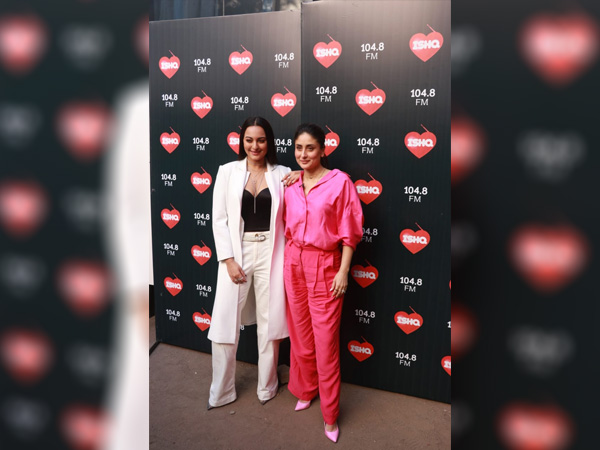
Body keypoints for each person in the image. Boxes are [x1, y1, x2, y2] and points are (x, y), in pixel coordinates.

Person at [207, 116, 297, 408]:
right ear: (241, 141)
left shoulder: (283, 173)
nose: (254, 146)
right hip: (237, 253)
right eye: (249, 140)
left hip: (273, 252)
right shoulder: (227, 171)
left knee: (271, 324)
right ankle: (221, 392)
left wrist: (302, 174)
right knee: (224, 322)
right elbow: (219, 219)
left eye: (260, 140)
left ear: (269, 142)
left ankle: (267, 387)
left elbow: (315, 181)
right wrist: (228, 259)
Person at [283, 123, 363, 443]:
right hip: (293, 262)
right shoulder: (291, 183)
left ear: (323, 150)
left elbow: (350, 231)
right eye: (298, 148)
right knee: (301, 337)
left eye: (310, 148)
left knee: (325, 344)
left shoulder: (340, 182)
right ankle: (305, 390)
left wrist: (343, 271)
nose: (303, 154)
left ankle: (330, 416)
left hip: (326, 266)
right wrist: (296, 174)